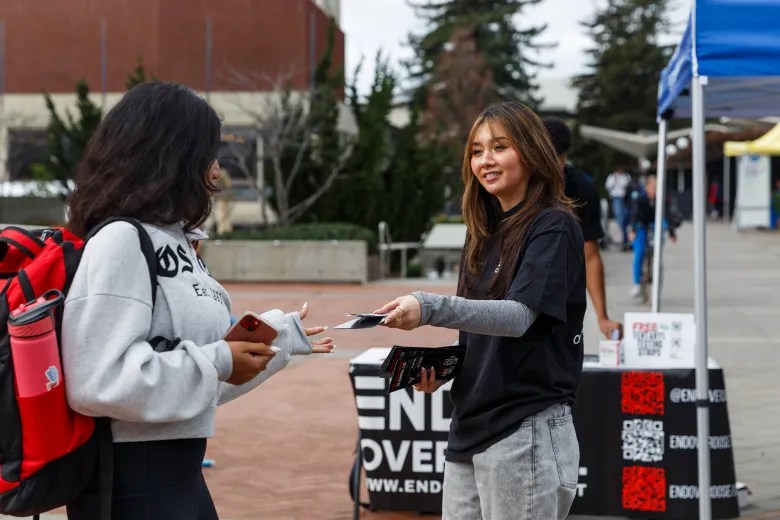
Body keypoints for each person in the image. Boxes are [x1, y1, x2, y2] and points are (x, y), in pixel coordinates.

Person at [62, 81, 334, 519]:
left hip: (181, 478)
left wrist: (279, 338)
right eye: (209, 152)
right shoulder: (122, 241)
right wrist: (221, 359)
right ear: (175, 155)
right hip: (132, 485)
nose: (216, 169)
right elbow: (99, 381)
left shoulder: (180, 243)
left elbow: (200, 382)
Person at [375, 101, 585, 520]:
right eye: (476, 150)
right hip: (469, 426)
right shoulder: (483, 232)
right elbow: (480, 335)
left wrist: (430, 307)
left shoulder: (553, 225)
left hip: (524, 429)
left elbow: (518, 317)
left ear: (530, 151)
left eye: (499, 147)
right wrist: (447, 367)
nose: (485, 160)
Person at [543, 117, 623, 339]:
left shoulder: (581, 189)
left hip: (559, 296)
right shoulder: (517, 182)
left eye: (552, 157)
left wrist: (602, 316)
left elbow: (590, 256)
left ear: (563, 156)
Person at [628, 174, 677, 298]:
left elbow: (667, 215)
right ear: (647, 187)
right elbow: (634, 214)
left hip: (655, 224)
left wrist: (671, 232)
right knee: (638, 252)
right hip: (641, 225)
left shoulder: (662, 199)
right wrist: (633, 230)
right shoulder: (640, 198)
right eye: (653, 187)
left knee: (658, 248)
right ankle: (636, 284)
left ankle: (656, 273)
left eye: (657, 187)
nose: (655, 190)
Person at [605, 165, 632, 248]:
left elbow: (626, 184)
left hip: (624, 198)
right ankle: (624, 237)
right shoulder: (612, 177)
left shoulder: (625, 176)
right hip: (616, 198)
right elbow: (608, 185)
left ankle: (625, 237)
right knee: (619, 217)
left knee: (622, 218)